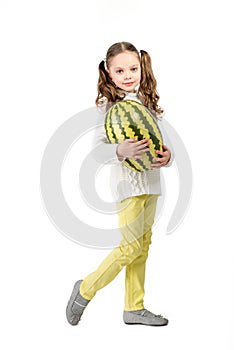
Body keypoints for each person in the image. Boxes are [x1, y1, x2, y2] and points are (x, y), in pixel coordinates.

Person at [66, 41, 174, 327]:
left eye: (133, 69)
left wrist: (168, 155)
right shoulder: (107, 107)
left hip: (152, 184)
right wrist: (119, 151)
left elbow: (162, 141)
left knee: (143, 245)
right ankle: (85, 289)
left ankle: (133, 307)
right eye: (120, 70)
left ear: (142, 68)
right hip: (128, 188)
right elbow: (96, 150)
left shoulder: (148, 103)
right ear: (108, 73)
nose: (128, 75)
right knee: (129, 247)